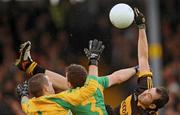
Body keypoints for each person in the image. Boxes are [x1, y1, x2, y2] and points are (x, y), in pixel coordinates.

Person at [16, 39, 138, 115]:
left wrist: (24, 96)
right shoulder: (96, 84)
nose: (52, 84)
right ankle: (29, 66)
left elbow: (26, 107)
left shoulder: (68, 98)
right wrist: (136, 69)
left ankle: (29, 66)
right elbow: (117, 77)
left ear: (69, 84)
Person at [113, 8, 169, 115]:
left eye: (149, 95)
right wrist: (141, 27)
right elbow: (143, 58)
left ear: (152, 106)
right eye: (148, 91)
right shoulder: (145, 86)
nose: (144, 93)